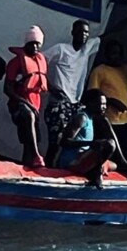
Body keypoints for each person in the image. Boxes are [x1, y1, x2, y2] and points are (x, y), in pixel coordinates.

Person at [43, 20, 101, 165]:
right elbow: (39, 60)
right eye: (81, 31)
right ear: (73, 32)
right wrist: (49, 86)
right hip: (59, 103)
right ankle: (46, 170)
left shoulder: (87, 49)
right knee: (56, 142)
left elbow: (107, 35)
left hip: (75, 104)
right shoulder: (61, 49)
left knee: (75, 137)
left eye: (87, 32)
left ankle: (61, 168)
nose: (84, 35)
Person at [56, 89, 127, 188]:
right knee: (110, 144)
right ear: (90, 103)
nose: (104, 107)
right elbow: (64, 141)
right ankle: (95, 171)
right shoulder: (81, 118)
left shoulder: (92, 118)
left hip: (84, 157)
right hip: (73, 160)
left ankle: (97, 168)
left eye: (105, 104)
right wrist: (91, 143)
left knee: (114, 165)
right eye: (101, 104)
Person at [5, 26, 49, 168]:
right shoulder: (16, 62)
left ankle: (28, 166)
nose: (36, 47)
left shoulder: (39, 61)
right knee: (27, 116)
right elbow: (7, 89)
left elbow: (41, 80)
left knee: (30, 140)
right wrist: (25, 103)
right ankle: (37, 155)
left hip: (35, 104)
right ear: (26, 43)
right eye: (32, 43)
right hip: (19, 105)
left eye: (38, 44)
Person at [86, 39, 127, 150]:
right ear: (107, 54)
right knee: (107, 150)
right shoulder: (100, 70)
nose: (116, 57)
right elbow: (92, 94)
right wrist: (111, 101)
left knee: (121, 152)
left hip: (124, 119)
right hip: (107, 119)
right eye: (113, 53)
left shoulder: (125, 69)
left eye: (119, 54)